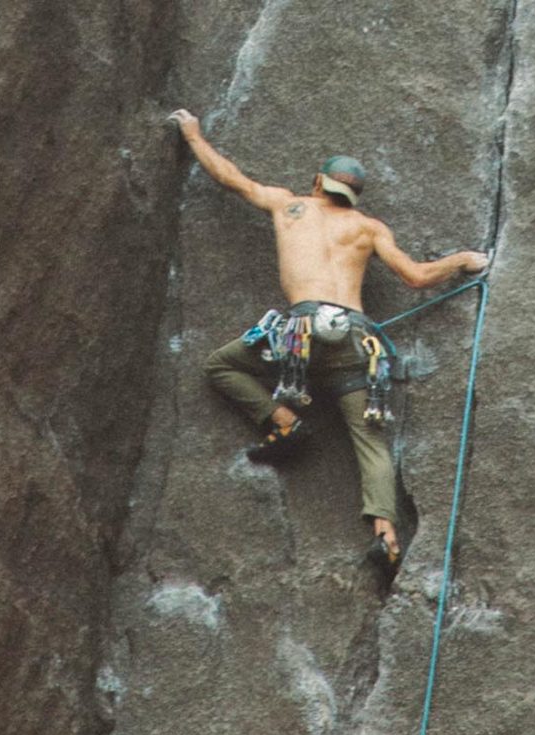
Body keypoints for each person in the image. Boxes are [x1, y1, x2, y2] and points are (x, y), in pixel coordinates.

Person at [169, 108, 487, 571]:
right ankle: (387, 536)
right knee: (371, 442)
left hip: (298, 335)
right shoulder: (368, 228)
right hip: (354, 341)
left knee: (222, 365)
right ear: (353, 195)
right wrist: (463, 260)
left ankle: (283, 420)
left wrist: (193, 135)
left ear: (318, 182)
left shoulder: (288, 206)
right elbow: (417, 277)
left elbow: (232, 179)